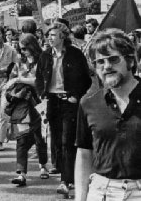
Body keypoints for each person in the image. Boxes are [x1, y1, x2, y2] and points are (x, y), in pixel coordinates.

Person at [75, 28, 141, 201]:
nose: (107, 66)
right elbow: (84, 154)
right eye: (100, 62)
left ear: (131, 61)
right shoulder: (88, 103)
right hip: (101, 191)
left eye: (113, 59)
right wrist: (80, 197)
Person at [36, 22, 91, 197]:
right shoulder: (45, 55)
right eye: (48, 35)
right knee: (57, 141)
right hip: (51, 101)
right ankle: (65, 174)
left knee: (68, 140)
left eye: (53, 35)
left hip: (69, 102)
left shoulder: (75, 54)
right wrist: (41, 96)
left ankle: (66, 181)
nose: (49, 38)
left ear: (62, 36)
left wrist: (76, 95)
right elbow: (39, 78)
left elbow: (86, 79)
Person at [4, 33, 49, 187]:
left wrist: (19, 80)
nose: (23, 51)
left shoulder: (43, 60)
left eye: (25, 48)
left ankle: (43, 166)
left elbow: (40, 82)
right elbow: (11, 80)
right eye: (21, 49)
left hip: (40, 103)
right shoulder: (19, 63)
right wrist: (13, 87)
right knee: (22, 140)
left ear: (33, 46)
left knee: (40, 138)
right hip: (22, 105)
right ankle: (21, 174)